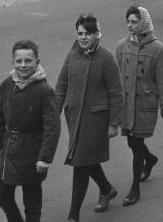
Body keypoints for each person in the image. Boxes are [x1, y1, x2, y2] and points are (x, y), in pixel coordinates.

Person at [55, 14, 124, 221]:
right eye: (80, 33)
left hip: (95, 121)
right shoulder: (72, 54)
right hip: (74, 118)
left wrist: (114, 123)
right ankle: (106, 188)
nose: (83, 37)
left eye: (87, 33)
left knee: (80, 163)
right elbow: (61, 86)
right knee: (86, 159)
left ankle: (73, 215)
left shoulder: (106, 57)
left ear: (96, 34)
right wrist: (53, 113)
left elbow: (116, 92)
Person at [0, 40, 61, 222]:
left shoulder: (44, 90)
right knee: (2, 197)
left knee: (32, 204)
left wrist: (45, 157)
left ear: (37, 62)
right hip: (9, 151)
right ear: (13, 62)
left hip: (32, 152)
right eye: (19, 61)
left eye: (28, 61)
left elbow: (52, 127)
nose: (23, 65)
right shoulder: (7, 84)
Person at [115, 6, 163, 206]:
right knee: (131, 142)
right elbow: (116, 78)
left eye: (134, 22)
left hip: (145, 104)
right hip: (126, 104)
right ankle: (151, 159)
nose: (130, 26)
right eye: (128, 21)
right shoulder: (121, 46)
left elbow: (161, 80)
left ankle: (134, 189)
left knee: (136, 144)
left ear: (144, 22)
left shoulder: (157, 48)